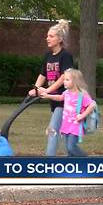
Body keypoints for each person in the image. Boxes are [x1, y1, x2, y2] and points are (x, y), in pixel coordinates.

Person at [28, 19, 73, 156]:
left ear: (60, 39)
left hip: (64, 99)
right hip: (53, 99)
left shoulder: (65, 55)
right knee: (65, 133)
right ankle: (76, 156)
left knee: (53, 130)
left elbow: (64, 76)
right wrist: (36, 89)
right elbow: (43, 74)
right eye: (47, 36)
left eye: (51, 36)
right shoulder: (48, 56)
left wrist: (48, 90)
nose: (47, 38)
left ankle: (50, 161)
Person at [41, 68, 95, 157]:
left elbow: (92, 105)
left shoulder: (82, 95)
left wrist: (82, 115)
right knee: (68, 149)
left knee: (71, 147)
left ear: (75, 81)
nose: (64, 82)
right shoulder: (67, 92)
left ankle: (85, 159)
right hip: (66, 125)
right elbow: (60, 98)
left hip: (75, 126)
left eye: (67, 80)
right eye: (64, 80)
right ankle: (72, 166)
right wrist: (48, 96)